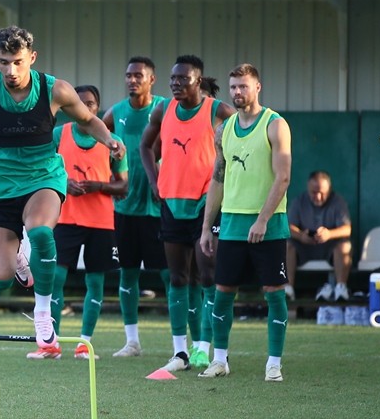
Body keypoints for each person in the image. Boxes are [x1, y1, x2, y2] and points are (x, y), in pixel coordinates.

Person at [0, 26, 123, 357]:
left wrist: (109, 139)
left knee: (40, 231)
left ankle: (42, 313)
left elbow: (87, 120)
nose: (10, 71)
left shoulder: (55, 89)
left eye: (18, 62)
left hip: (42, 177)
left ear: (32, 58)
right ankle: (19, 261)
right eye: (3, 62)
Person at [140, 55, 235, 372]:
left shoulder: (216, 110)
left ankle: (203, 348)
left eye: (183, 79)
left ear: (198, 81)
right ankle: (180, 352)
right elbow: (145, 147)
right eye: (173, 79)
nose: (176, 84)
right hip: (171, 204)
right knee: (177, 278)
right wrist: (154, 180)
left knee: (208, 275)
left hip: (206, 207)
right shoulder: (163, 109)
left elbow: (244, 136)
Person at [199, 63, 292, 381]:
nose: (238, 92)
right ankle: (220, 360)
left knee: (274, 292)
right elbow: (218, 179)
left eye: (244, 86)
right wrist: (207, 227)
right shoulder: (224, 129)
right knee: (222, 291)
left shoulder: (275, 125)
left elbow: (283, 178)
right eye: (234, 87)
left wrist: (263, 220)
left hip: (269, 223)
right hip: (231, 224)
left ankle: (273, 364)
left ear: (258, 87)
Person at [40, 84, 127, 359]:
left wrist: (96, 186)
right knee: (56, 279)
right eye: (80, 102)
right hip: (65, 218)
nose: (86, 107)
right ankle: (50, 344)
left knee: (96, 283)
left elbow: (123, 187)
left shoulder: (112, 140)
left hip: (101, 222)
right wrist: (64, 183)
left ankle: (84, 344)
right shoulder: (58, 135)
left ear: (97, 108)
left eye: (91, 103)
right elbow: (41, 169)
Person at [103, 56, 170, 358]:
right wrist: (106, 178)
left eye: (138, 75)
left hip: (161, 209)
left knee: (172, 275)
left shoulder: (168, 108)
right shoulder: (115, 113)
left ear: (152, 79)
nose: (132, 80)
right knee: (127, 274)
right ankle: (132, 342)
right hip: (125, 210)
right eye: (128, 75)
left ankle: (183, 343)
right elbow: (94, 143)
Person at [285, 170, 352, 302]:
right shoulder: (299, 201)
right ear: (308, 189)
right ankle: (288, 290)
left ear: (329, 189)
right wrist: (301, 236)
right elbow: (288, 226)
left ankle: (341, 289)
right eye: (314, 193)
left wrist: (329, 234)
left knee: (345, 246)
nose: (318, 197)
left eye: (322, 193)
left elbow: (347, 229)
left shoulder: (338, 202)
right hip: (304, 247)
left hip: (329, 248)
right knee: (287, 245)